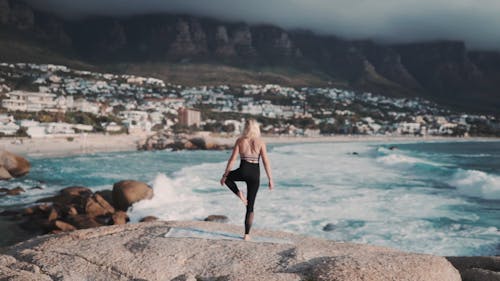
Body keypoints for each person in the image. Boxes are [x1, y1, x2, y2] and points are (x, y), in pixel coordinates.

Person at [220, 119, 274, 241]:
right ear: (256, 128)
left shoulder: (240, 141)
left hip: (243, 170)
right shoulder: (261, 142)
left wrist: (225, 175)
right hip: (255, 174)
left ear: (246, 128)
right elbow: (266, 161)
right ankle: (247, 234)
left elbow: (232, 159)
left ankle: (239, 193)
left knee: (228, 178)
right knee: (250, 206)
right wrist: (270, 179)